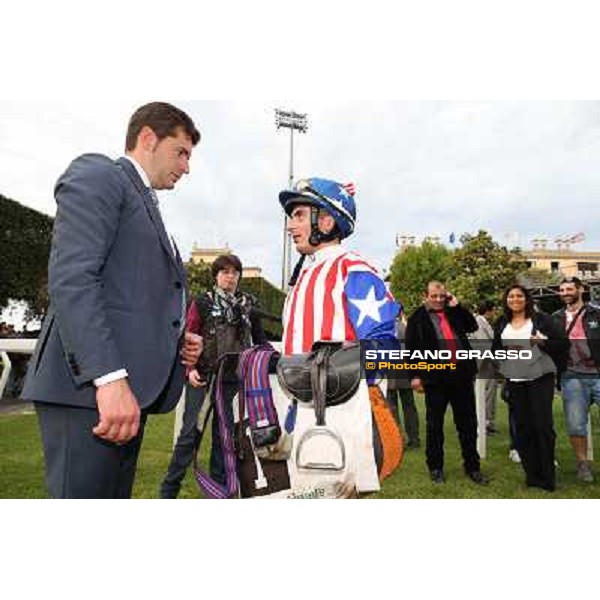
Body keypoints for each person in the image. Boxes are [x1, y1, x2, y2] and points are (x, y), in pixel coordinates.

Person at [21, 102, 202, 498]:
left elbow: (129, 296)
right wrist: (107, 378)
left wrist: (176, 341)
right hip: (91, 391)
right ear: (148, 138)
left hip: (122, 395)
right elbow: (73, 280)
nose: (186, 166)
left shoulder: (146, 204)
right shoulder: (100, 174)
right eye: (182, 152)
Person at [280, 177, 402, 490]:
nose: (290, 226)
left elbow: (383, 348)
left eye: (298, 216)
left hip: (343, 417)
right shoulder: (305, 275)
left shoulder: (354, 269)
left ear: (326, 219)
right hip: (300, 413)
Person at [160, 254, 267, 498]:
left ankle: (218, 491)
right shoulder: (202, 302)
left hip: (232, 383)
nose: (230, 277)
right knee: (189, 435)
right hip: (204, 379)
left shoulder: (248, 306)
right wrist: (190, 370)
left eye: (234, 272)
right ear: (216, 276)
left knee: (225, 438)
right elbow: (187, 338)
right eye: (225, 272)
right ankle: (169, 490)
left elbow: (261, 343)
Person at [405, 281, 487, 485]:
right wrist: (414, 376)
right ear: (426, 296)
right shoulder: (417, 318)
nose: (439, 300)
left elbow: (472, 325)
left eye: (442, 296)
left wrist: (457, 305)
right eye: (434, 296)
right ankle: (435, 468)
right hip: (435, 377)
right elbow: (411, 349)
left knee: (468, 424)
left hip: (461, 375)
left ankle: (473, 467)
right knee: (435, 426)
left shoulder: (454, 311)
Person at [492, 284, 568, 492]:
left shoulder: (541, 320)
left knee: (542, 427)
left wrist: (542, 342)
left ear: (526, 299)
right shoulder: (502, 322)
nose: (515, 299)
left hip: (539, 378)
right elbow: (495, 350)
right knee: (523, 429)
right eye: (511, 296)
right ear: (506, 300)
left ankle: (547, 477)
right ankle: (532, 475)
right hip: (515, 381)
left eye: (519, 296)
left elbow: (563, 344)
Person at [555, 276, 600, 482]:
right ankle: (582, 465)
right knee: (576, 424)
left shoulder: (596, 314)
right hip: (572, 376)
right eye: (562, 290)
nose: (565, 293)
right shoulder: (554, 318)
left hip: (597, 374)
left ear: (580, 290)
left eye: (569, 289)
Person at [386, 310, 420, 448]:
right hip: (405, 372)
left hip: (390, 372)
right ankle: (414, 438)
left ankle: (397, 439)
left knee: (392, 407)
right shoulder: (406, 327)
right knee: (409, 407)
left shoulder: (385, 329)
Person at [471, 300, 499, 435]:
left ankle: (487, 422)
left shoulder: (482, 322)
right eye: (493, 310)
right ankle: (484, 423)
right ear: (488, 310)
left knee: (489, 394)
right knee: (486, 394)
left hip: (486, 363)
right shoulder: (479, 322)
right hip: (484, 363)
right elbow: (484, 345)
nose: (494, 313)